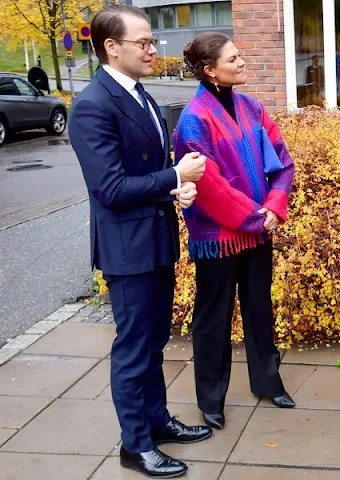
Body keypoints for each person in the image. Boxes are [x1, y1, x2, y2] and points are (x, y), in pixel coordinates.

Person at [68, 5, 212, 478]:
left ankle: (156, 422)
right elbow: (109, 189)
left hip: (155, 238)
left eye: (153, 42)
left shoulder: (141, 95)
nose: (154, 50)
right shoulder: (93, 105)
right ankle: (135, 445)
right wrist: (174, 173)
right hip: (127, 249)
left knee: (153, 342)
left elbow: (143, 171)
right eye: (145, 42)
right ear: (112, 46)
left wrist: (177, 187)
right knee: (133, 348)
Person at [173, 32, 296, 431]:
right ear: (210, 71)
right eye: (233, 59)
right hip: (218, 241)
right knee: (214, 319)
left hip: (259, 231)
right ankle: (211, 399)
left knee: (261, 310)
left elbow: (282, 163)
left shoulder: (253, 108)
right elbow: (208, 186)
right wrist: (257, 218)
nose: (242, 63)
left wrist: (275, 206)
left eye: (240, 56)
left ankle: (267, 382)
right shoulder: (194, 118)